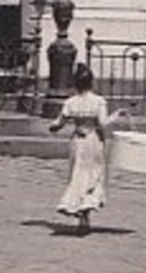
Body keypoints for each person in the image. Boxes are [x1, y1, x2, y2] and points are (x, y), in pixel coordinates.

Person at [49, 63, 128, 235]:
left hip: (78, 140)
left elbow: (58, 123)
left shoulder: (71, 102)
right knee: (93, 174)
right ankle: (85, 211)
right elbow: (103, 123)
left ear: (75, 84)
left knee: (78, 173)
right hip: (93, 140)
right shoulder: (98, 101)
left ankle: (76, 207)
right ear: (91, 83)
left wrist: (53, 127)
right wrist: (116, 115)